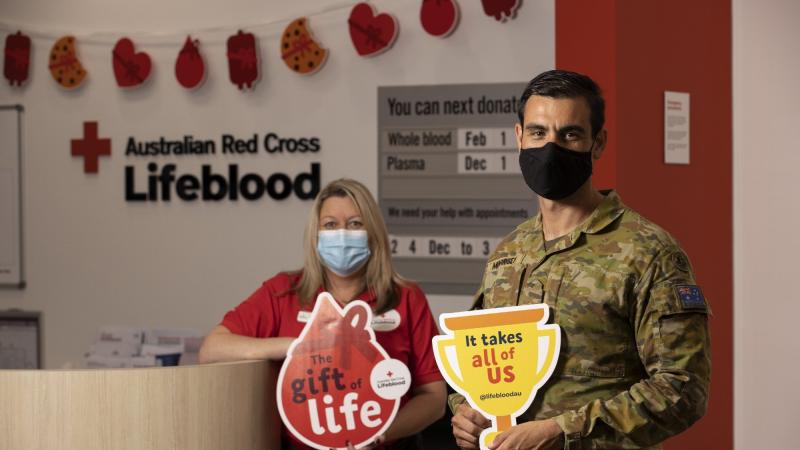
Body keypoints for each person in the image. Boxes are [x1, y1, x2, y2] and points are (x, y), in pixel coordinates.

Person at [449, 70, 711, 450]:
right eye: (538, 133)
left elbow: (683, 389)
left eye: (569, 134)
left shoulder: (648, 252)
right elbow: (476, 357)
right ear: (519, 137)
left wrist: (561, 430)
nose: (550, 148)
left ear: (598, 142)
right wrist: (466, 410)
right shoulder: (510, 251)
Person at [199, 178, 446, 450]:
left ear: (373, 231)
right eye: (330, 225)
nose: (342, 234)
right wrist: (298, 347)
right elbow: (213, 348)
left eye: (355, 223)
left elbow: (434, 398)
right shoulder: (283, 291)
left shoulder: (407, 297)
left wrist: (377, 434)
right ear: (316, 235)